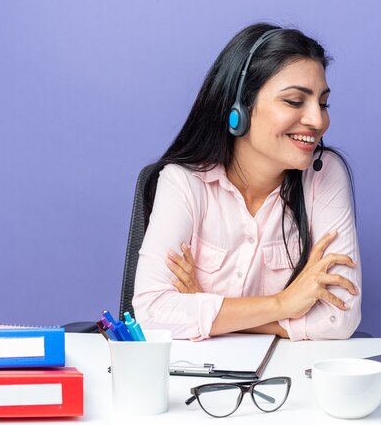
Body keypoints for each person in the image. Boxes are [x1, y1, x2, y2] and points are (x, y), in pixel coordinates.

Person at [133, 23, 361, 341]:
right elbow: (152, 313)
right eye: (295, 101)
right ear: (240, 108)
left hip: (289, 377)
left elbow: (340, 318)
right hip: (195, 380)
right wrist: (284, 303)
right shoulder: (183, 182)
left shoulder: (324, 174)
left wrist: (209, 307)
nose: (318, 120)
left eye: (323, 103)